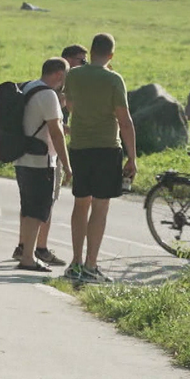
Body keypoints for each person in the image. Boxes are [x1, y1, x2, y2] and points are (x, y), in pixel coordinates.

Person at [63, 33, 137, 283]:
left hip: (79, 146)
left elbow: (70, 104)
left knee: (80, 202)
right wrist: (132, 158)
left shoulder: (73, 75)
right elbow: (125, 121)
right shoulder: (114, 79)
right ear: (111, 55)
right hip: (106, 146)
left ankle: (75, 262)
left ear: (92, 51)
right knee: (100, 205)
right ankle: (91, 265)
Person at [13, 58, 73, 272]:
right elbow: (56, 134)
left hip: (22, 157)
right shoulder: (48, 95)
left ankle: (26, 254)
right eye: (65, 76)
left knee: (29, 209)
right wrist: (67, 165)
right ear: (58, 74)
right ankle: (28, 258)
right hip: (41, 161)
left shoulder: (29, 87)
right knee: (38, 211)